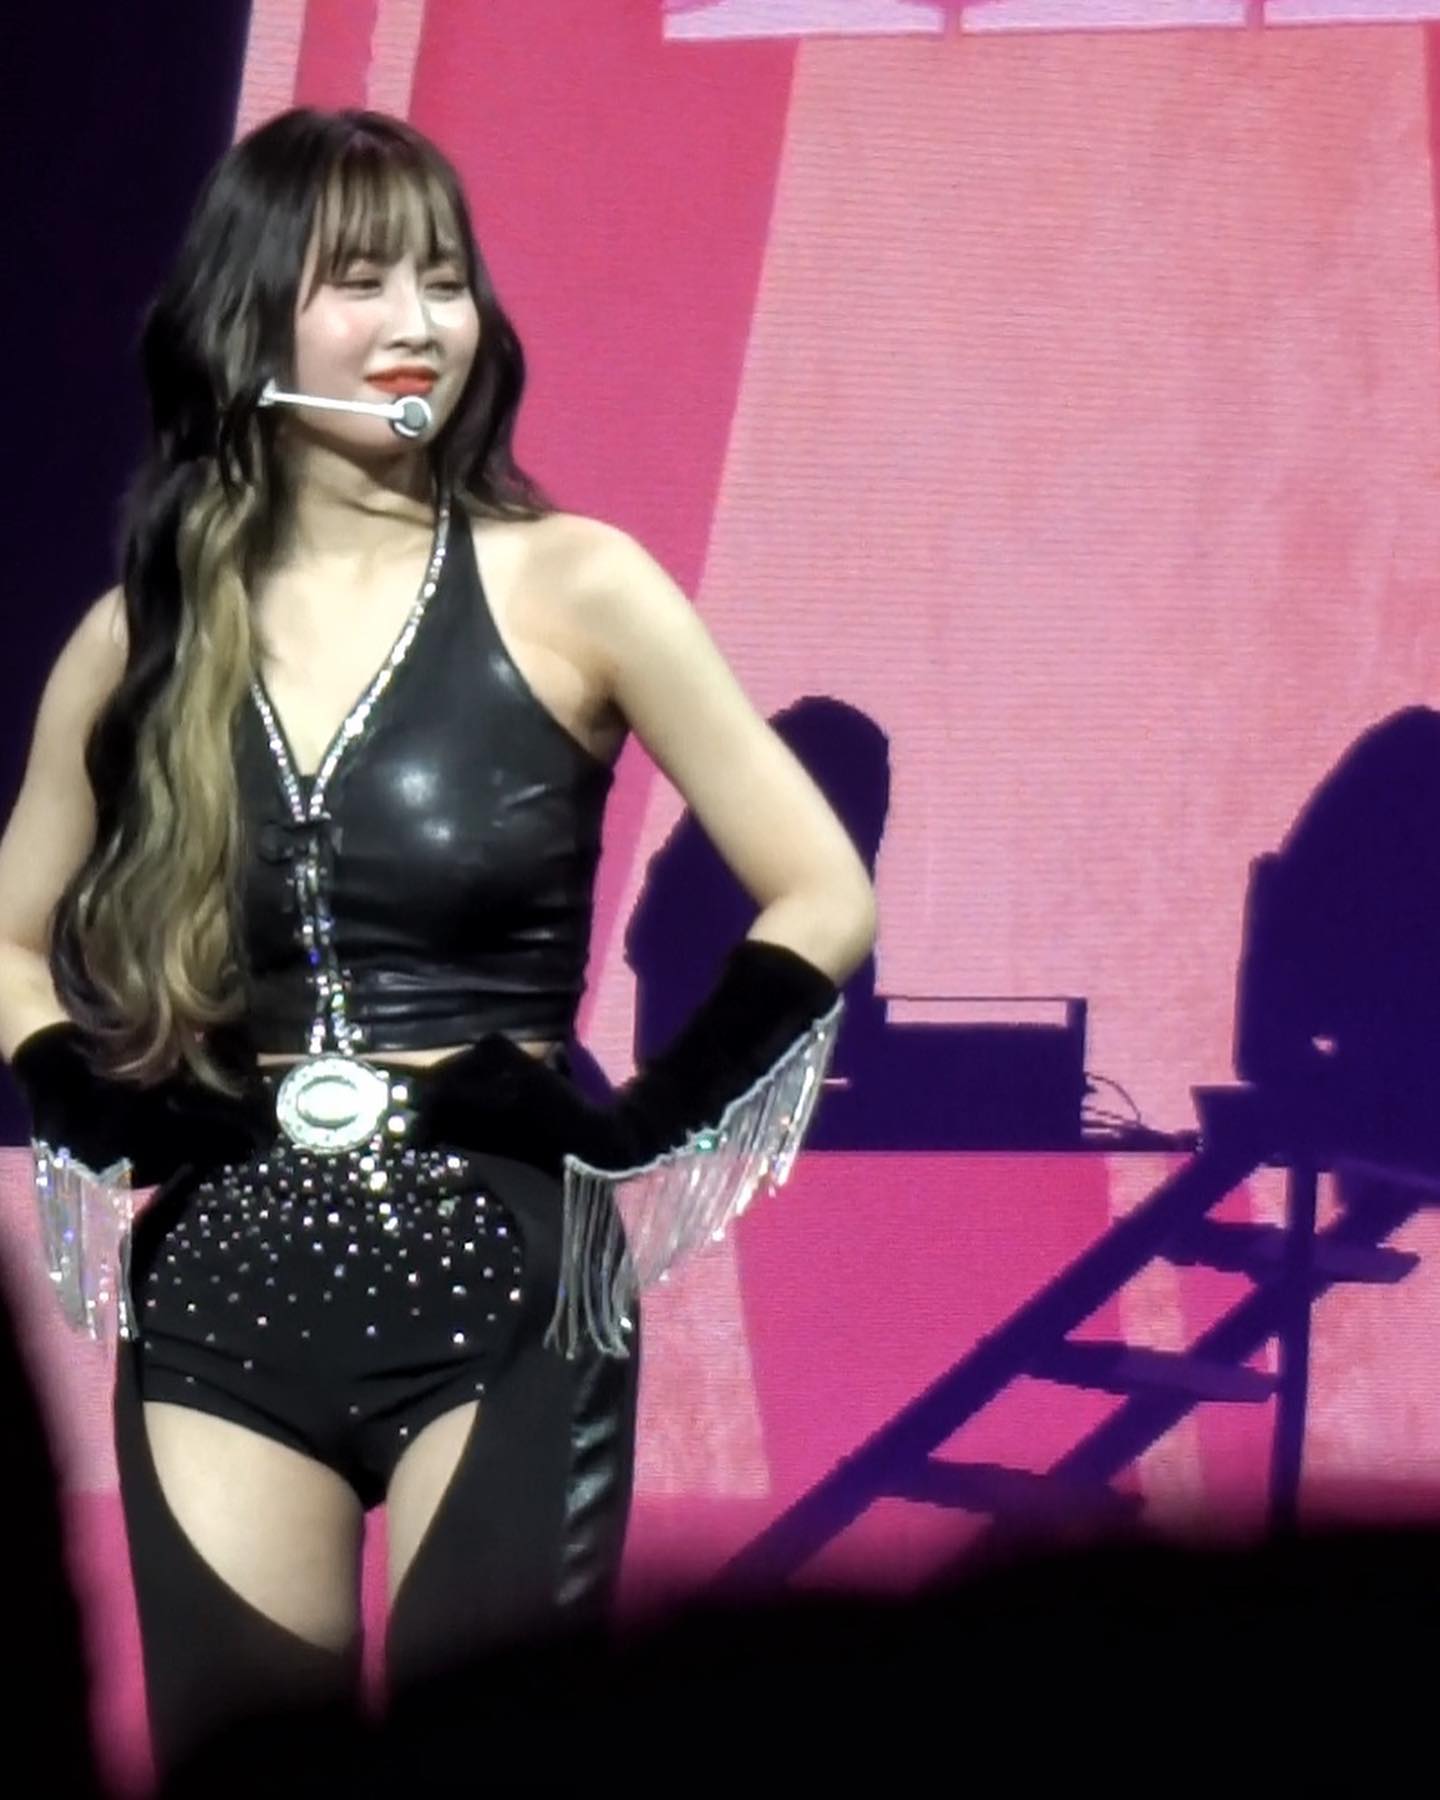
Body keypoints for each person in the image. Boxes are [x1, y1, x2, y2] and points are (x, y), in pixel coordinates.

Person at [0, 107, 876, 1772]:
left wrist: (635, 1125)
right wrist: (88, 1103)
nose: (420, 323)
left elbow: (823, 893)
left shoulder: (577, 584)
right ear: (252, 319)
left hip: (508, 1278)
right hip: (223, 1286)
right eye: (361, 281)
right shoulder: (143, 633)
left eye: (447, 281)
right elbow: (7, 938)